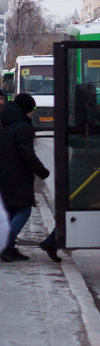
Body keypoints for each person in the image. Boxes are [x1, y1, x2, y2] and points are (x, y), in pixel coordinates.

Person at [1, 93, 52, 262]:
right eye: (33, 109)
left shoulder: (4, 120)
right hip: (17, 176)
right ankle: (7, 244)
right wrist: (42, 171)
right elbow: (26, 153)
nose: (33, 112)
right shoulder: (23, 126)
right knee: (24, 209)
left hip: (3, 174)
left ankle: (9, 247)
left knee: (10, 210)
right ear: (27, 108)